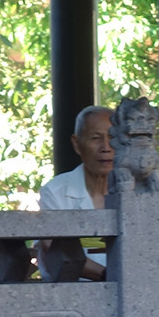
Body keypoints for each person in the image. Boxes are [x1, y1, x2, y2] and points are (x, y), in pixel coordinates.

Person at [37, 105, 115, 281]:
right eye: (96, 138)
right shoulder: (56, 192)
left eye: (112, 138)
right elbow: (55, 248)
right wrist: (109, 276)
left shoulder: (134, 191)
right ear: (76, 144)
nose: (106, 147)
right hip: (72, 295)